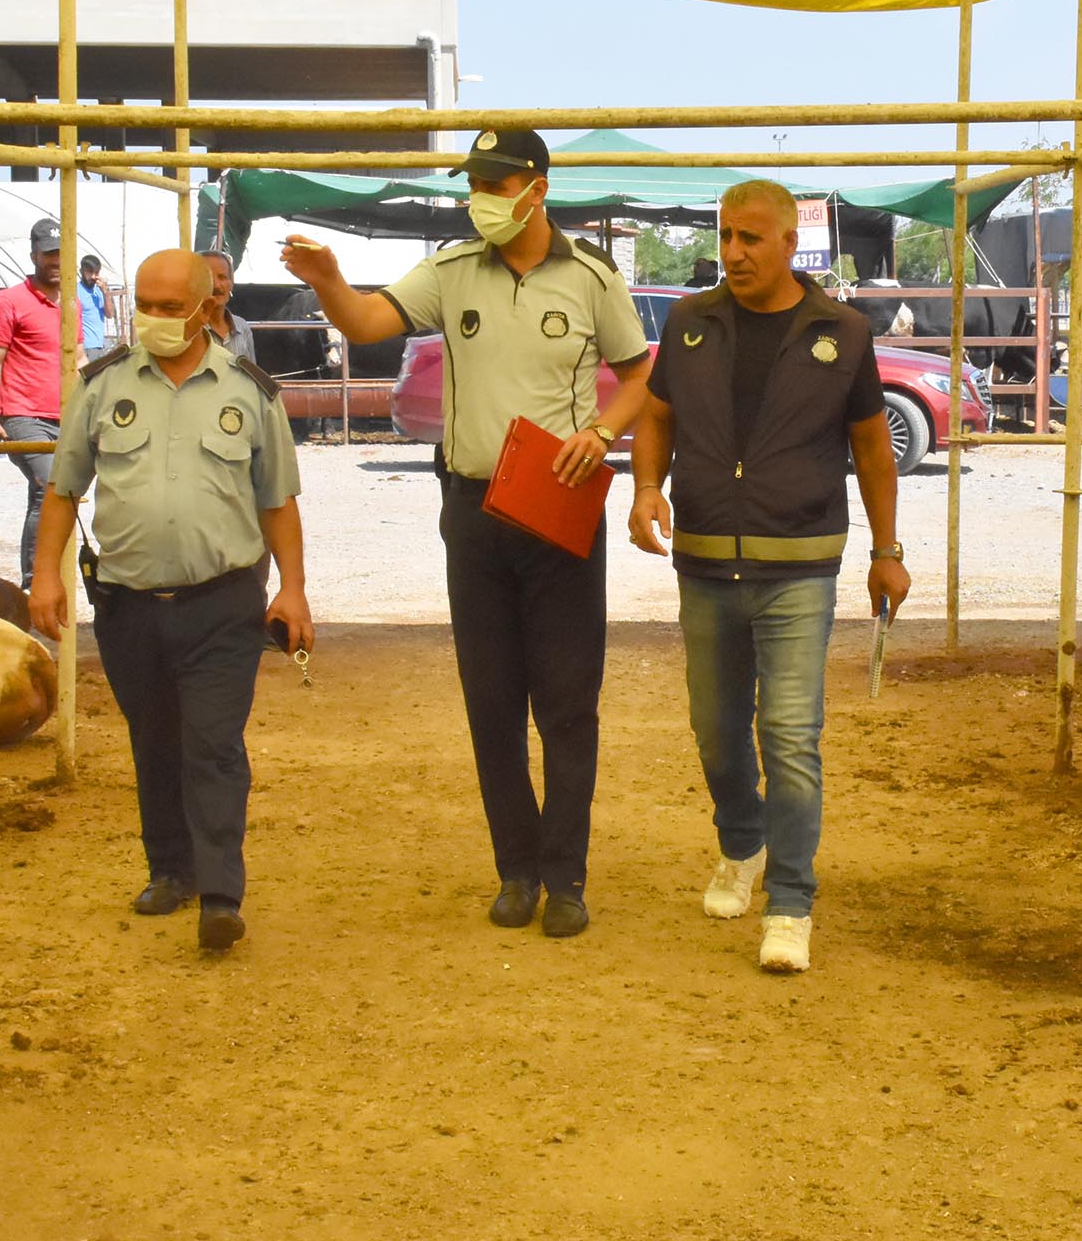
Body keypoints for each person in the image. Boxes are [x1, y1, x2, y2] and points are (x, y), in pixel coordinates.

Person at [281, 126, 648, 939]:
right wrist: (333, 280)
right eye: (475, 182)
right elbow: (370, 320)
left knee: (567, 703)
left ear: (536, 189)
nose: (482, 196)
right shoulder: (452, 271)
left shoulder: (591, 278)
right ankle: (515, 872)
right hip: (474, 512)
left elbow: (643, 371)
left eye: (496, 181)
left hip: (559, 509)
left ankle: (568, 876)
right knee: (492, 702)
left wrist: (606, 430)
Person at [627, 181, 908, 976]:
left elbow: (872, 446)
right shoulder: (688, 324)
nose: (733, 252)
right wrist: (647, 487)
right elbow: (658, 416)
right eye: (725, 236)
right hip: (706, 560)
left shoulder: (842, 333)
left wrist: (888, 549)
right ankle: (741, 844)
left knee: (788, 735)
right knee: (716, 728)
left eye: (750, 238)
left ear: (792, 243)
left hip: (799, 564)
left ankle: (790, 901)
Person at [29, 249, 312, 954]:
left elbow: (278, 501)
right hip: (128, 603)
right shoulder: (101, 385)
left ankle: (221, 892)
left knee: (213, 744)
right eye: (144, 305)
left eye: (168, 306)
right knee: (155, 740)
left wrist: (295, 588)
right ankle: (170, 869)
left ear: (205, 308)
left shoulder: (251, 391)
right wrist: (46, 574)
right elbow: (63, 489)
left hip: (223, 602)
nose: (153, 319)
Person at [0, 218, 82, 586]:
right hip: (22, 412)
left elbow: (78, 357)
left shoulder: (71, 302)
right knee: (51, 485)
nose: (55, 261)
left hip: (64, 413)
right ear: (34, 255)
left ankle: (46, 576)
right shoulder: (9, 302)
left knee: (55, 491)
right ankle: (37, 577)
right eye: (49, 254)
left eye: (61, 255)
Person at [203, 250, 256, 364]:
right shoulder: (190, 330)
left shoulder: (242, 327)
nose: (216, 285)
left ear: (231, 283)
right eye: (208, 278)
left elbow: (251, 377)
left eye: (222, 277)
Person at [77, 255, 114, 355]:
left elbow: (110, 315)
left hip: (100, 346)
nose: (93, 276)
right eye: (89, 272)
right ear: (81, 272)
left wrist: (105, 293)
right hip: (85, 348)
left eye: (96, 272)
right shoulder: (76, 291)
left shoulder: (99, 290)